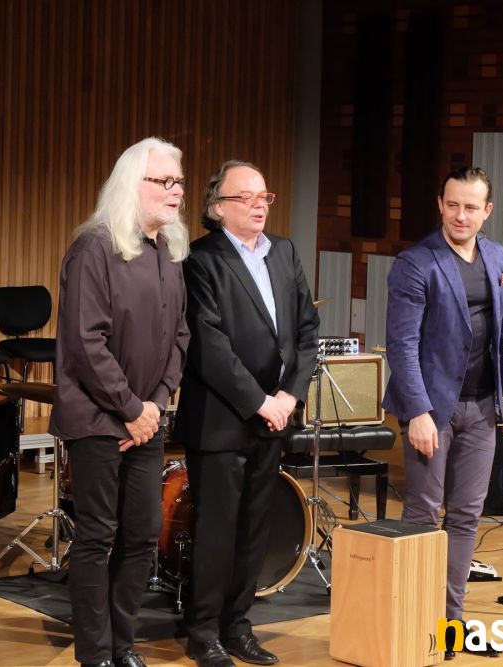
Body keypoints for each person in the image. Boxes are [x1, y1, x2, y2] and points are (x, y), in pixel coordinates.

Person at [49, 137, 191, 667]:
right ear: (133, 184)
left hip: (146, 419)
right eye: (164, 181)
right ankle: (95, 654)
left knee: (142, 536)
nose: (176, 191)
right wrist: (131, 409)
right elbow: (86, 342)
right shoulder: (95, 247)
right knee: (96, 537)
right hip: (97, 418)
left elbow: (180, 336)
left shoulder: (169, 251)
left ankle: (122, 644)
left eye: (179, 181)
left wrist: (154, 405)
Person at [174, 160, 319, 667]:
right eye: (246, 196)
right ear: (218, 208)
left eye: (264, 196)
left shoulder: (285, 252)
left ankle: (237, 626)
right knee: (217, 531)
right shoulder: (200, 260)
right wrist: (261, 401)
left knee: (254, 528)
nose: (259, 204)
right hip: (221, 418)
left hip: (275, 416)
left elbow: (307, 331)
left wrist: (289, 397)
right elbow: (208, 345)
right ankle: (202, 632)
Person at [383, 166, 503, 660]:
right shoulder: (415, 263)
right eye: (452, 205)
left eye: (470, 207)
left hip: (484, 406)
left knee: (465, 515)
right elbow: (401, 346)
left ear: (487, 211)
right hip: (433, 410)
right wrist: (419, 412)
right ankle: (416, 621)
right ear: (440, 205)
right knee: (424, 514)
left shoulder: (496, 256)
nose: (460, 215)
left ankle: (451, 623)